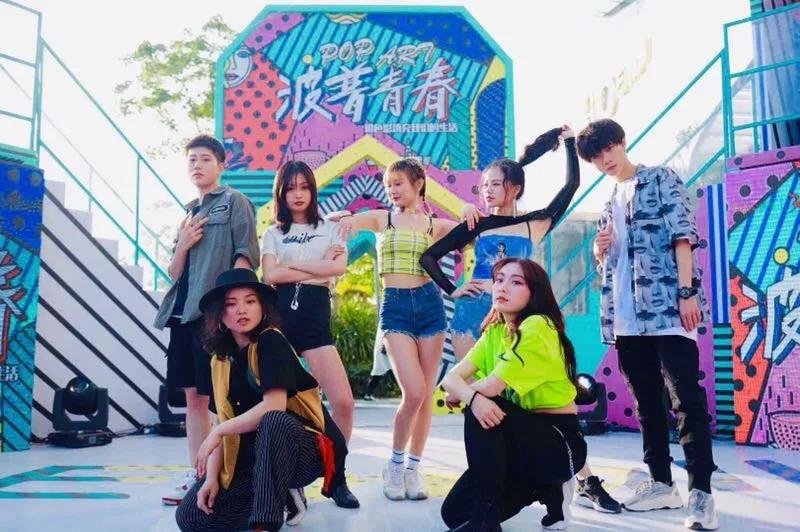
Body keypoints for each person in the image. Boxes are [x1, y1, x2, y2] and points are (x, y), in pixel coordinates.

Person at [421, 126, 620, 514]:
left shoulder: (535, 222)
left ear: (514, 188)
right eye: (483, 186)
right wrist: (454, 288)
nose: (486, 192)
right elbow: (429, 256)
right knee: (484, 400)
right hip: (475, 317)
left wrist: (567, 144)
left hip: (522, 317)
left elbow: (570, 186)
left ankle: (582, 479)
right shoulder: (476, 224)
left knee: (535, 398)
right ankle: (493, 484)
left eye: (495, 184)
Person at [578, 118, 717, 530]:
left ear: (622, 142)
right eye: (596, 156)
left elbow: (682, 236)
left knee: (686, 401)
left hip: (668, 310)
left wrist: (687, 292)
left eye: (608, 149)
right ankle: (660, 483)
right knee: (646, 404)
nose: (605, 159)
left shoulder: (660, 178)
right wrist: (598, 251)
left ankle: (701, 494)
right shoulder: (608, 202)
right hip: (625, 318)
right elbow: (612, 265)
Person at [175, 268, 351, 531]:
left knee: (273, 421)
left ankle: (266, 522)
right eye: (231, 304)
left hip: (302, 451)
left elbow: (274, 406)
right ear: (220, 314)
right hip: (256, 458)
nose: (241, 310)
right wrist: (211, 478)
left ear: (262, 308)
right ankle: (283, 500)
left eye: (250, 301)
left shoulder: (271, 341)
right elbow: (221, 419)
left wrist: (219, 432)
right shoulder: (219, 361)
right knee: (191, 516)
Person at [332, 158, 458, 501]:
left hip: (429, 306)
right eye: (389, 185)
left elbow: (470, 229)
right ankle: (395, 465)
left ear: (418, 184)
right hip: (396, 307)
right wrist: (343, 218)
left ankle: (413, 469)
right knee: (413, 392)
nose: (392, 190)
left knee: (425, 397)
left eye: (399, 183)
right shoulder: (381, 218)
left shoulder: (434, 225)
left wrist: (468, 210)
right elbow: (344, 220)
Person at [440, 258, 587, 531]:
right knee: (454, 514)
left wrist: (466, 394)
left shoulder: (539, 326)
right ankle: (544, 490)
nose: (503, 287)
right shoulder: (494, 331)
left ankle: (487, 518)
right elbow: (449, 379)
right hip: (517, 445)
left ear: (534, 292)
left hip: (558, 444)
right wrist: (467, 393)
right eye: (499, 280)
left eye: (516, 282)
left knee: (482, 403)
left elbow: (489, 388)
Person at [154, 135, 260, 506]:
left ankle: (222, 476)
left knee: (219, 398)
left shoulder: (235, 202)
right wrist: (183, 243)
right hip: (182, 315)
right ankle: (196, 474)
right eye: (192, 160)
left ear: (220, 165)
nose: (197, 166)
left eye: (204, 159)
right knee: (193, 398)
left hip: (212, 316)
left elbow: (246, 257)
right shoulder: (188, 214)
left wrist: (232, 313)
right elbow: (173, 272)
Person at [260, 160, 359, 508]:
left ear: (313, 191)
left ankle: (336, 477)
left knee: (343, 402)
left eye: (304, 187)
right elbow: (271, 276)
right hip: (280, 320)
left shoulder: (329, 228)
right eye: (290, 188)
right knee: (282, 405)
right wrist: (318, 268)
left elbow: (338, 268)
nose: (298, 194)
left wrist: (293, 266)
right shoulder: (273, 233)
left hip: (316, 321)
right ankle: (286, 479)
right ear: (281, 193)